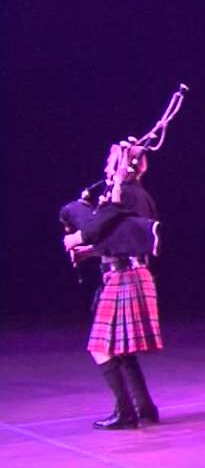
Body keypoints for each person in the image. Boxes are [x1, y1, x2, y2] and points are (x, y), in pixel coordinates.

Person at [61, 143, 162, 430]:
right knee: (122, 351)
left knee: (100, 348)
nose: (106, 166)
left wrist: (76, 239)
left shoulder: (123, 196)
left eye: (110, 162)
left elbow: (94, 229)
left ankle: (126, 413)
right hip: (136, 272)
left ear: (122, 167)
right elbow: (122, 238)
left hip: (122, 276)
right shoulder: (142, 196)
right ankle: (144, 408)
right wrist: (90, 252)